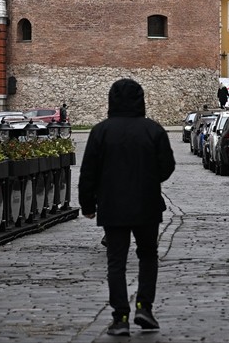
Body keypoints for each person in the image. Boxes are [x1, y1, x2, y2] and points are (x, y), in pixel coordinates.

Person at [78, 78, 175, 337]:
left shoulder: (101, 131)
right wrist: (149, 178)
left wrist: (88, 204)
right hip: (146, 204)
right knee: (148, 255)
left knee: (116, 262)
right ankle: (144, 306)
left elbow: (88, 171)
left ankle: (120, 316)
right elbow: (167, 167)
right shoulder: (153, 130)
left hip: (112, 206)